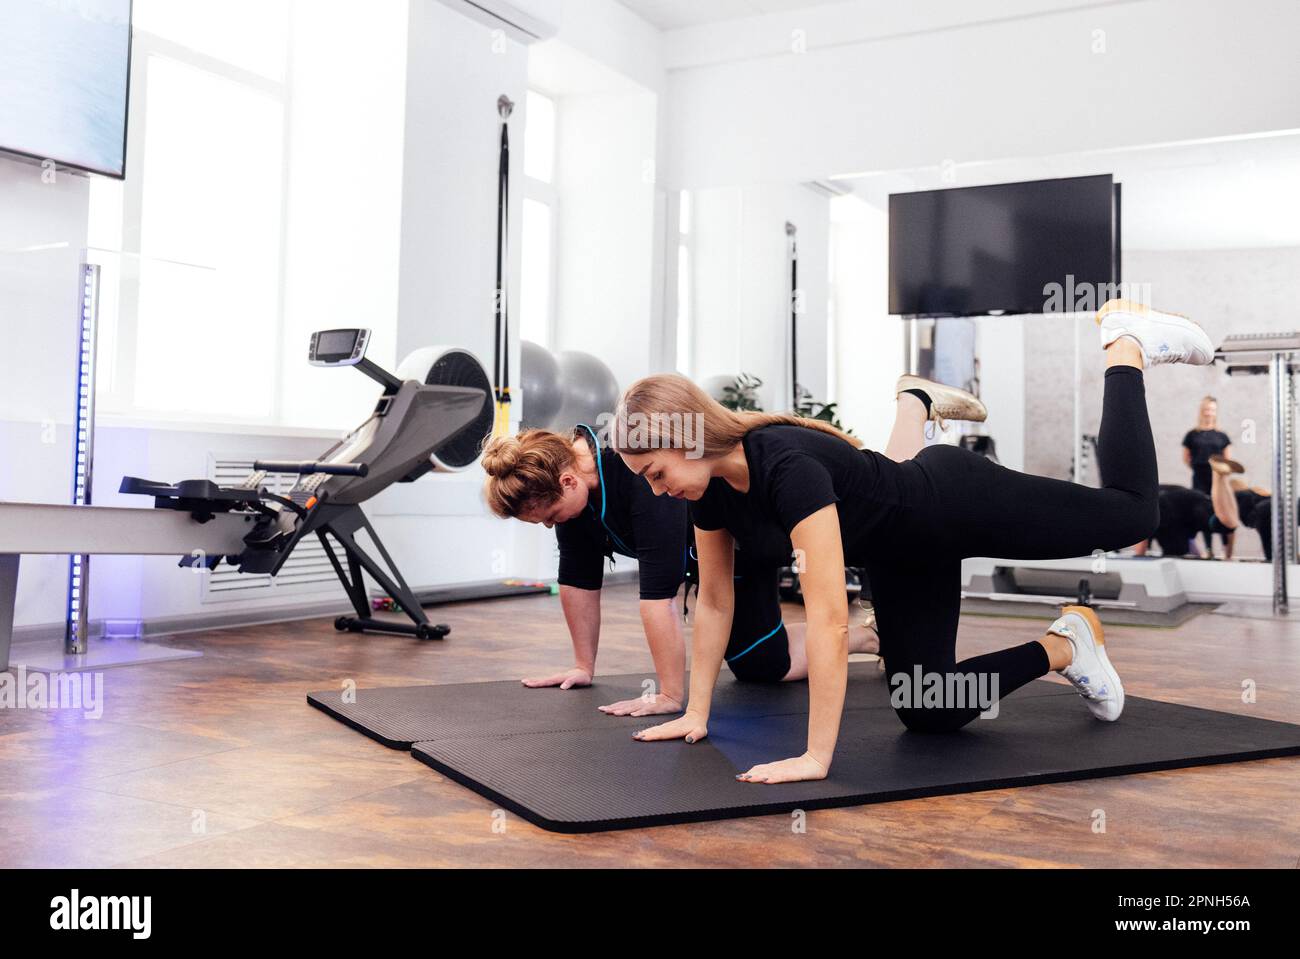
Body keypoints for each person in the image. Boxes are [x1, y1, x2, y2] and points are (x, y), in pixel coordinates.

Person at [614, 298, 1215, 784]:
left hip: (955, 501)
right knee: (929, 710)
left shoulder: (786, 468)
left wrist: (815, 757)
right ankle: (1067, 645)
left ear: (685, 439)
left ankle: (1126, 347)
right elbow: (716, 602)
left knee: (1134, 516)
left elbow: (827, 620)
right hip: (903, 555)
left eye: (655, 473)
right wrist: (696, 713)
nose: (656, 490)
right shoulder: (709, 493)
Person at [477, 377, 987, 714]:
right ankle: (872, 637)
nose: (548, 527)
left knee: (884, 504)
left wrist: (672, 696)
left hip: (753, 529)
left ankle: (912, 404)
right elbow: (578, 582)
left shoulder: (636, 472)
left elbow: (661, 595)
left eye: (546, 518)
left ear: (567, 481)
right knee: (762, 667)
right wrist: (582, 668)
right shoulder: (573, 490)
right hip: (727, 547)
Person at [1132, 485, 1213, 558]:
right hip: (1176, 507)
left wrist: (1139, 556)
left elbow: (1142, 536)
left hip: (1173, 506)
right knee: (1176, 551)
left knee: (1175, 551)